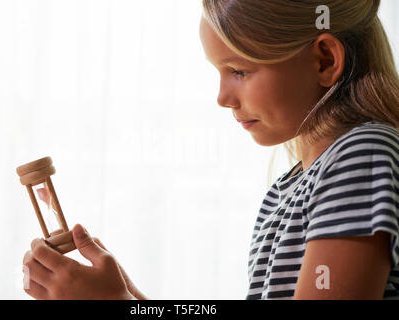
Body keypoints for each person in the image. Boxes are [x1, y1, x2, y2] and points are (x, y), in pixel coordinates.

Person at [23, 0, 399, 300]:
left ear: (325, 60)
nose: (222, 98)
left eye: (239, 70)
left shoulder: (360, 156)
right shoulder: (287, 189)